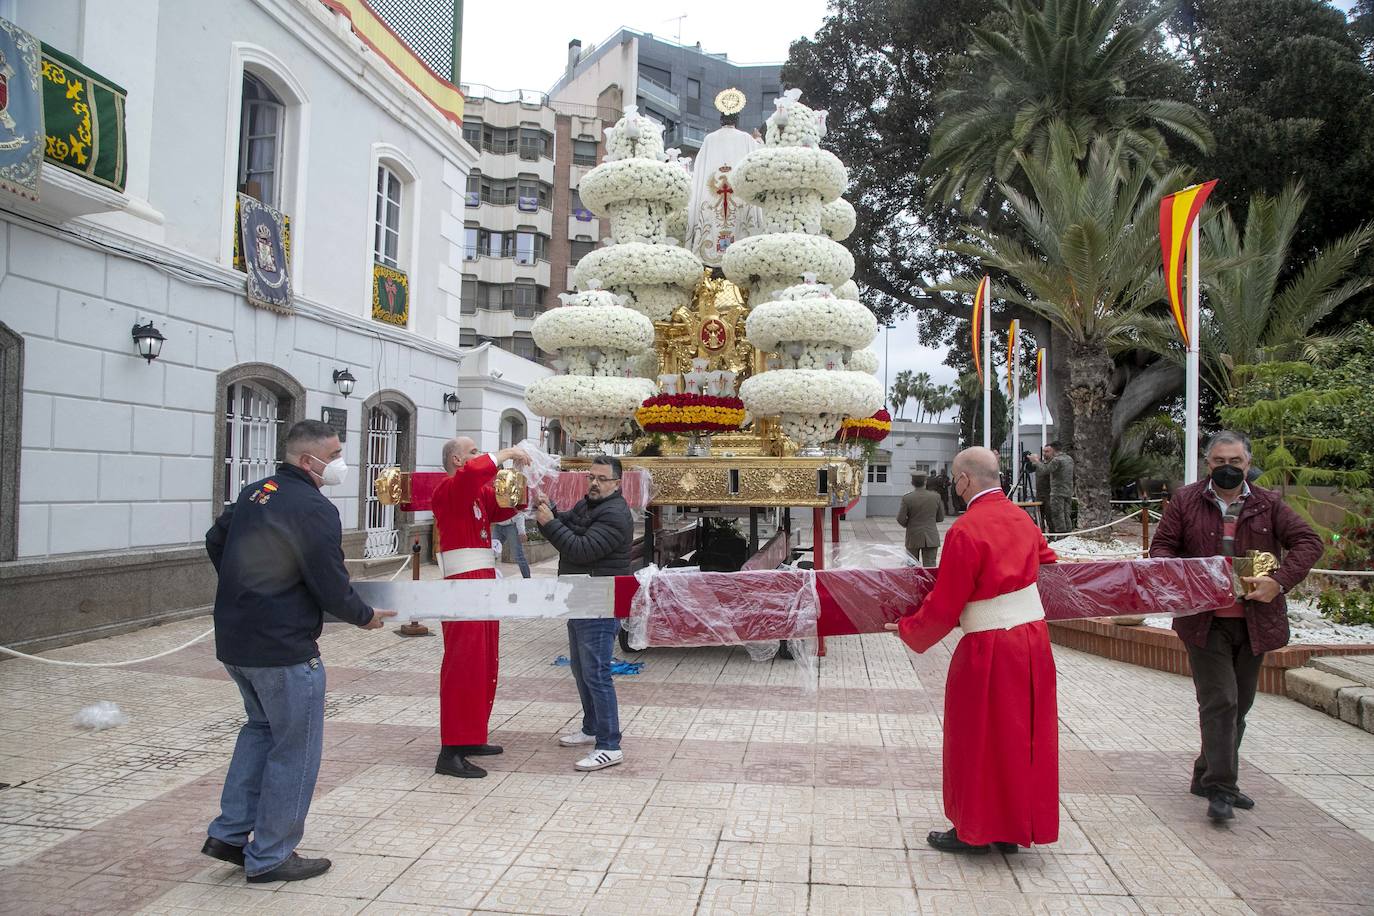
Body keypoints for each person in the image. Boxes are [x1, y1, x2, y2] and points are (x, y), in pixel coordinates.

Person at [202, 420, 396, 883]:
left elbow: (215, 542)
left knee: (260, 731)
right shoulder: (313, 507)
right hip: (284, 649)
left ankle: (229, 834)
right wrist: (363, 615)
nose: (340, 463)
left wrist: (249, 587)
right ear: (308, 460)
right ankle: (270, 855)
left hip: (236, 641)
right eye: (334, 454)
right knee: (296, 749)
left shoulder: (255, 491)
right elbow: (329, 582)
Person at [886, 446, 1059, 854]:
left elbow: (947, 603)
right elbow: (1050, 562)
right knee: (1022, 738)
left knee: (977, 738)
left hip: (990, 646)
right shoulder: (1022, 518)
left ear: (963, 480)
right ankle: (1012, 826)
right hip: (1032, 643)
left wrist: (909, 629)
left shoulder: (967, 529)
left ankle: (976, 829)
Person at [1149, 431, 1322, 822]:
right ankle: (1222, 788)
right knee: (1220, 701)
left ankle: (1203, 773)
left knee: (1239, 705)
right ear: (1207, 463)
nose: (1227, 469)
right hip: (1204, 621)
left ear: (1248, 463)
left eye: (1235, 462)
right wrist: (1186, 576)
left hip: (1256, 622)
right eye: (1219, 462)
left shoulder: (1268, 504)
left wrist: (1278, 580)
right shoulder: (1186, 501)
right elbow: (1161, 548)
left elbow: (1309, 542)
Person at [431, 437, 529, 779]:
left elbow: (505, 507)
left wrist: (519, 477)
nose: (478, 456)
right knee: (464, 665)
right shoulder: (449, 489)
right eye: (473, 451)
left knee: (485, 661)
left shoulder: (475, 492)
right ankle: (450, 750)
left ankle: (470, 735)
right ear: (458, 460)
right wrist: (505, 453)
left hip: (483, 579)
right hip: (463, 583)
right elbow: (476, 472)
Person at [535, 455, 635, 772]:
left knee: (597, 673)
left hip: (599, 600)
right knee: (581, 669)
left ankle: (610, 745)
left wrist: (548, 523)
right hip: (579, 597)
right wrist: (549, 507)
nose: (594, 483)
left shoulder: (615, 514)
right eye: (591, 477)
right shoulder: (589, 505)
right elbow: (569, 523)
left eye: (601, 479)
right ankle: (592, 727)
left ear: (617, 484)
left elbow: (580, 549)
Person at [897, 472, 945, 567]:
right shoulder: (936, 496)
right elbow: (940, 517)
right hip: (931, 536)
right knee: (930, 566)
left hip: (913, 535)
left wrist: (910, 524)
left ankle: (914, 583)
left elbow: (900, 518)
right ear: (925, 482)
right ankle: (929, 582)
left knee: (912, 566)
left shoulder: (907, 498)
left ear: (912, 483)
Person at [1028, 442, 1074, 533]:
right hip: (1068, 491)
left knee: (1058, 516)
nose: (1045, 453)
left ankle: (1061, 536)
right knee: (1066, 515)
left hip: (1057, 493)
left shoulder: (1057, 460)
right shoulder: (1069, 459)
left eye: (1048, 451)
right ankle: (1068, 534)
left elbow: (1045, 470)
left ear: (1053, 450)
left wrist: (1036, 461)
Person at [492, 512, 531, 578]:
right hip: (498, 526)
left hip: (511, 525)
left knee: (518, 555)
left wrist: (521, 532)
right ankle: (489, 577)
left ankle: (527, 579)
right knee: (491, 553)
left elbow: (519, 512)